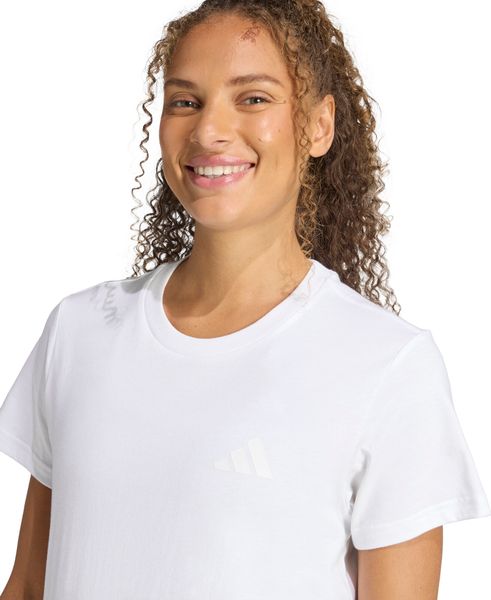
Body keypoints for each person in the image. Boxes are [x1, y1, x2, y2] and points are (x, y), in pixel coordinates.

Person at [1, 0, 490, 598]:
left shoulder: (387, 365)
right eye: (186, 101)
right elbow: (28, 586)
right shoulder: (80, 332)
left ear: (319, 125)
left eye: (253, 98)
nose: (209, 130)